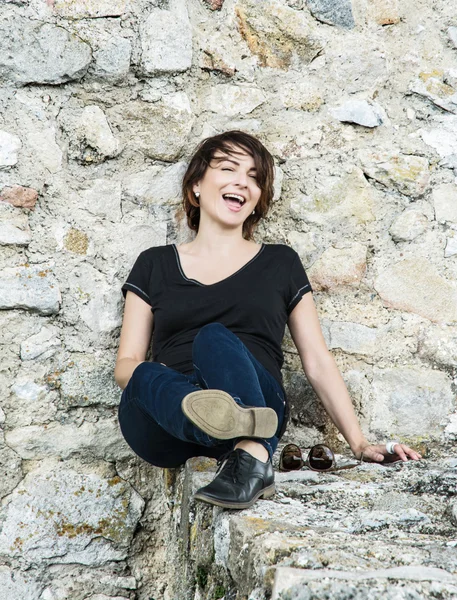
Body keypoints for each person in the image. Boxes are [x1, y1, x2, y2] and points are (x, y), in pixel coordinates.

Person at [114, 130, 421, 510]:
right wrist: (174, 391)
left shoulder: (280, 263)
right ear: (196, 185)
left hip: (255, 400)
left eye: (255, 177)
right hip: (165, 419)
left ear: (258, 198)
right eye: (228, 168)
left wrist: (358, 443)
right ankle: (212, 420)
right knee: (143, 374)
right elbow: (126, 364)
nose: (243, 181)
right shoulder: (153, 264)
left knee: (213, 339)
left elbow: (317, 360)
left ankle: (247, 445)